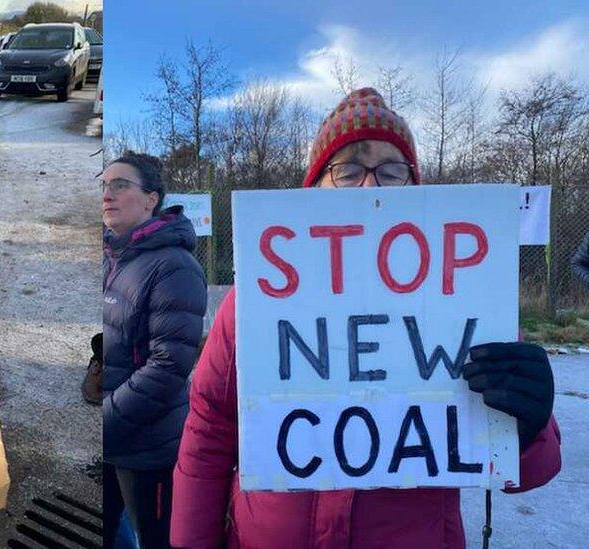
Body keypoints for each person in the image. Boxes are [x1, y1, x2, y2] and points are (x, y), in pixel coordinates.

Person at [171, 88, 562, 548]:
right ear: (314, 188)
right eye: (348, 170)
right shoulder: (259, 297)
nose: (370, 187)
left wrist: (531, 423)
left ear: (415, 190)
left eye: (391, 172)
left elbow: (525, 470)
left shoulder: (466, 298)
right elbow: (211, 428)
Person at [101, 151, 207, 548]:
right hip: (113, 440)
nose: (108, 194)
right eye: (105, 185)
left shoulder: (173, 266)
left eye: (121, 185)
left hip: (148, 450)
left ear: (151, 199)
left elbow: (168, 366)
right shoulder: (114, 256)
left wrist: (106, 420)